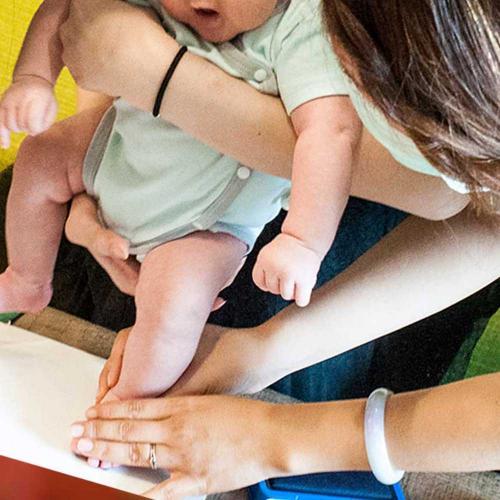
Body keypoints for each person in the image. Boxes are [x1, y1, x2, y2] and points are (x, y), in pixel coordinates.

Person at [7, 0, 499, 495]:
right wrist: (99, 172)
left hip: (295, 243)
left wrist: (280, 434)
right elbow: (94, 32)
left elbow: (436, 191)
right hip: (132, 175)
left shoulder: (313, 44)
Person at [0, 0, 364, 401]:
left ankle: (127, 401)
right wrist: (33, 78)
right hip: (118, 146)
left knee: (173, 310)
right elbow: (71, 9)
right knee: (39, 155)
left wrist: (303, 240)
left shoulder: (303, 26)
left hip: (201, 224)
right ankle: (27, 279)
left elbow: (331, 134)